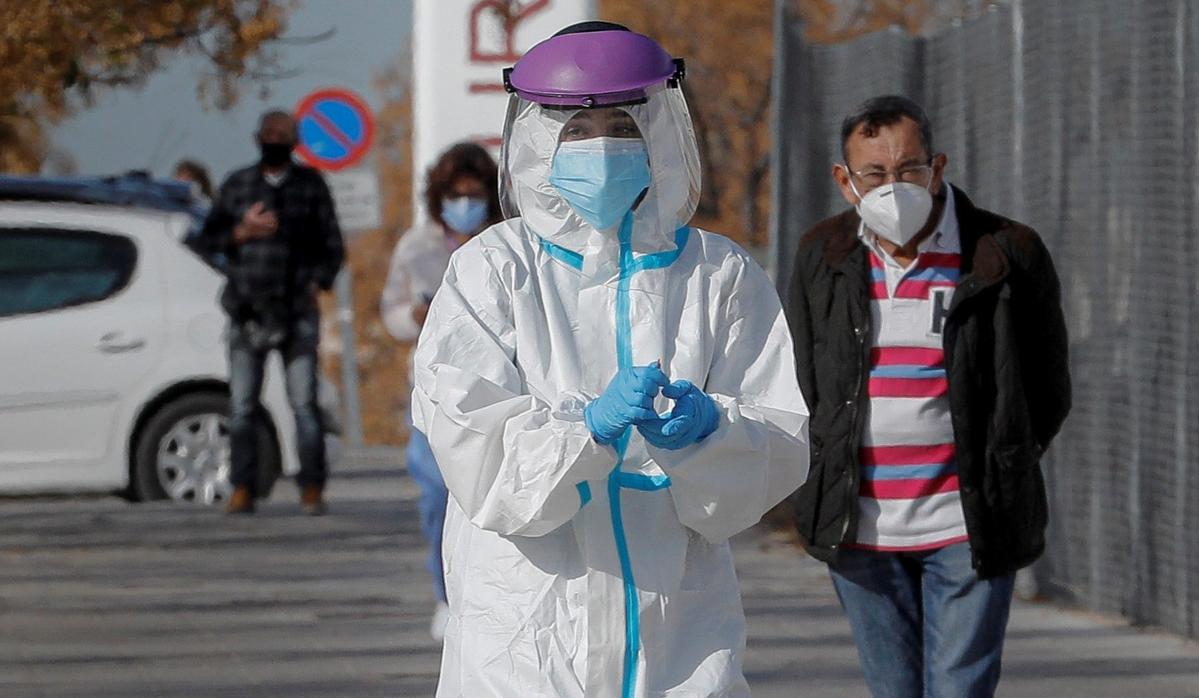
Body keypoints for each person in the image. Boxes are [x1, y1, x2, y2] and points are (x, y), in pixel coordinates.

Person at [410, 22, 809, 697]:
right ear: (536, 143)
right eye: (576, 129)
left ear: (660, 133)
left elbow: (777, 446)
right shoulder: (492, 271)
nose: (600, 146)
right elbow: (472, 448)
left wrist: (709, 435)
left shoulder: (717, 276)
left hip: (677, 634)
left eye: (622, 126)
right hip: (526, 632)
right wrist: (584, 432)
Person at [786, 95, 1071, 697]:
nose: (894, 186)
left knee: (959, 690)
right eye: (875, 173)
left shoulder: (1004, 251)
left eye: (909, 169)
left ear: (937, 168)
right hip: (858, 529)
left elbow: (1047, 386)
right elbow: (801, 378)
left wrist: (1004, 461)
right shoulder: (822, 255)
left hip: (968, 524)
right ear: (845, 181)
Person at [193, 110, 345, 516]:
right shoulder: (238, 186)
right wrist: (241, 233)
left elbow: (333, 244)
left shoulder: (310, 186)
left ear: (295, 141)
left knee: (303, 404)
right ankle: (242, 487)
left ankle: (311, 487)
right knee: (241, 405)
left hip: (296, 311)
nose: (274, 139)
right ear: (257, 137)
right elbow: (206, 240)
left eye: (284, 134)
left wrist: (318, 280)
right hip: (246, 310)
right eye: (269, 133)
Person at [380, 141, 503, 641]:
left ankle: (489, 596)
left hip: (497, 390)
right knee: (437, 498)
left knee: (489, 499)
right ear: (440, 197)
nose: (466, 204)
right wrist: (413, 317)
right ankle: (445, 596)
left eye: (475, 194)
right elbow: (389, 312)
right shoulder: (417, 247)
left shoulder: (507, 241)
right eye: (457, 195)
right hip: (434, 393)